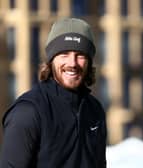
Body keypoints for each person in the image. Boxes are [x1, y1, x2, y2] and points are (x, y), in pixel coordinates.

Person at [0, 18, 107, 168]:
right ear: (51, 60)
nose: (72, 63)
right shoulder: (28, 111)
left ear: (89, 62)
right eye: (64, 54)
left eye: (80, 55)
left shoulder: (95, 111)